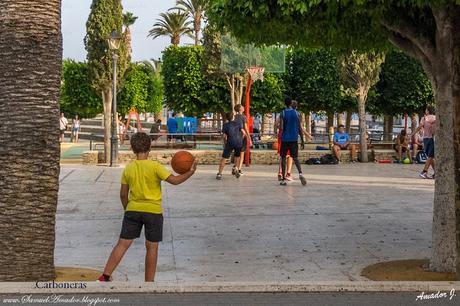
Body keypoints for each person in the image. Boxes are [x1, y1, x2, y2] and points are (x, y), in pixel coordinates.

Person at [97, 132, 197, 282]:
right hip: (153, 212)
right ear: (149, 148)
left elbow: (123, 194)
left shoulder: (129, 168)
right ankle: (148, 283)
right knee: (152, 247)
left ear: (132, 149)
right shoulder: (155, 167)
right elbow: (175, 181)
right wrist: (191, 172)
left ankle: (105, 276)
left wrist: (127, 209)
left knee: (122, 244)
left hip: (133, 210)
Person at [279, 98, 307, 186]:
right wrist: (302, 140)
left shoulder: (282, 113)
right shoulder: (296, 113)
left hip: (285, 139)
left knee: (283, 158)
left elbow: (281, 127)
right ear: (291, 103)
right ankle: (300, 173)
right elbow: (299, 128)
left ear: (285, 103)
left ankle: (283, 179)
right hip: (294, 139)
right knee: (295, 158)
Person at [216, 112, 249, 180]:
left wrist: (225, 142)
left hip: (230, 142)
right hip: (238, 142)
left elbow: (224, 136)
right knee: (237, 157)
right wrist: (240, 139)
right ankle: (235, 168)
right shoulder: (238, 124)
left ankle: (220, 174)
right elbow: (244, 133)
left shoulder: (225, 125)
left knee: (224, 158)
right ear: (233, 117)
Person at [413, 106, 436, 179]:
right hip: (433, 138)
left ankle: (424, 171)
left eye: (426, 110)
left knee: (430, 156)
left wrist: (413, 133)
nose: (425, 111)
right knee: (431, 156)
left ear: (428, 111)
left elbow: (419, 127)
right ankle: (436, 173)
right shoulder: (436, 118)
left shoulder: (424, 118)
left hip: (425, 139)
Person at [232, 104, 252, 176]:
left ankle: (235, 167)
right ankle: (239, 169)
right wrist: (249, 137)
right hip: (242, 136)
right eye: (242, 107)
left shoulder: (234, 117)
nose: (243, 107)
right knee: (242, 153)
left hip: (234, 136)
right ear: (240, 109)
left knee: (236, 153)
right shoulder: (243, 117)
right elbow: (246, 128)